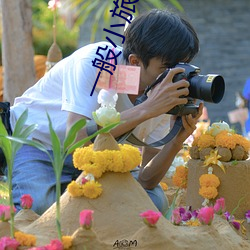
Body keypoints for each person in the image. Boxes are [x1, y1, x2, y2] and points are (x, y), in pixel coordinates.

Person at [6, 9, 202, 215]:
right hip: (37, 143)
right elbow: (76, 140)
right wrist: (147, 108)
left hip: (96, 157)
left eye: (182, 66)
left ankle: (71, 199)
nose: (175, 76)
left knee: (152, 202)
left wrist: (176, 140)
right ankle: (65, 197)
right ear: (135, 62)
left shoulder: (164, 90)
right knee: (39, 208)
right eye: (167, 68)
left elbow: (147, 180)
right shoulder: (97, 61)